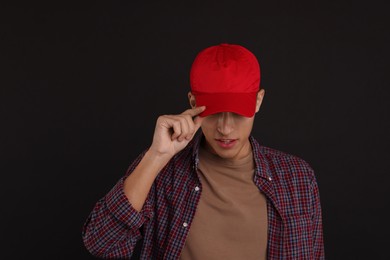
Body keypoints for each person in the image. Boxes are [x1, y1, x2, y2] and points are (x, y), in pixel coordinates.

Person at [82, 43, 325, 259]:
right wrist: (156, 157)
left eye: (238, 112)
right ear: (192, 103)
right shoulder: (163, 171)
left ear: (258, 101)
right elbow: (101, 244)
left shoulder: (298, 178)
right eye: (214, 112)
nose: (225, 128)